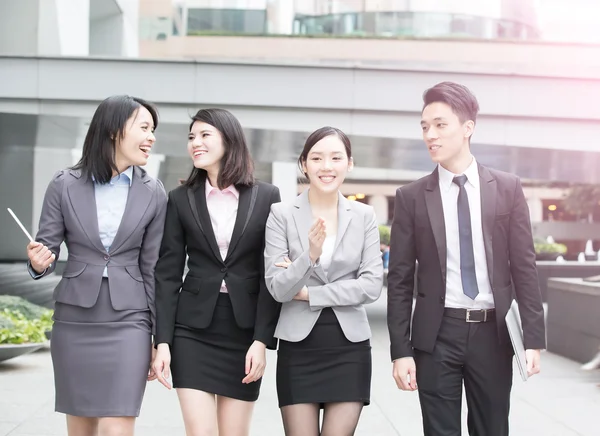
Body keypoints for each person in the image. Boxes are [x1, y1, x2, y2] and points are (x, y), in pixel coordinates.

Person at [386, 81, 546, 436]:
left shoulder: (507, 187)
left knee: (492, 428)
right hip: (436, 335)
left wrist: (533, 338)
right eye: (425, 126)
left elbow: (524, 265)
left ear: (467, 128)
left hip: (493, 333)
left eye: (441, 125)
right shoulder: (411, 197)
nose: (431, 134)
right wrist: (401, 350)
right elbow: (398, 280)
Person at [26, 95, 167, 436]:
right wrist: (38, 263)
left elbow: (153, 268)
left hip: (130, 321)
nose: (151, 137)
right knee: (81, 427)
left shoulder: (155, 192)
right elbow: (46, 248)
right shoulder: (64, 183)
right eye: (144, 128)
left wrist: (158, 338)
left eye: (153, 130)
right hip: (75, 318)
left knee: (117, 427)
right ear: (114, 130)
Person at [152, 108, 281, 436]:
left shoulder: (266, 196)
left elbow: (271, 274)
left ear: (229, 140)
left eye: (205, 135)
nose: (195, 142)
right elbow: (167, 273)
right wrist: (162, 341)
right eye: (192, 137)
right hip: (192, 331)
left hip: (243, 333)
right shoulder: (180, 199)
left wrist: (262, 340)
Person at [264, 126, 384, 436]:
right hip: (298, 348)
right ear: (304, 164)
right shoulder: (281, 214)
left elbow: (370, 286)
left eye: (335, 158)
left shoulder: (364, 215)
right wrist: (310, 255)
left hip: (349, 348)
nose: (326, 166)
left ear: (349, 163)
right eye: (316, 158)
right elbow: (279, 288)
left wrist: (308, 294)